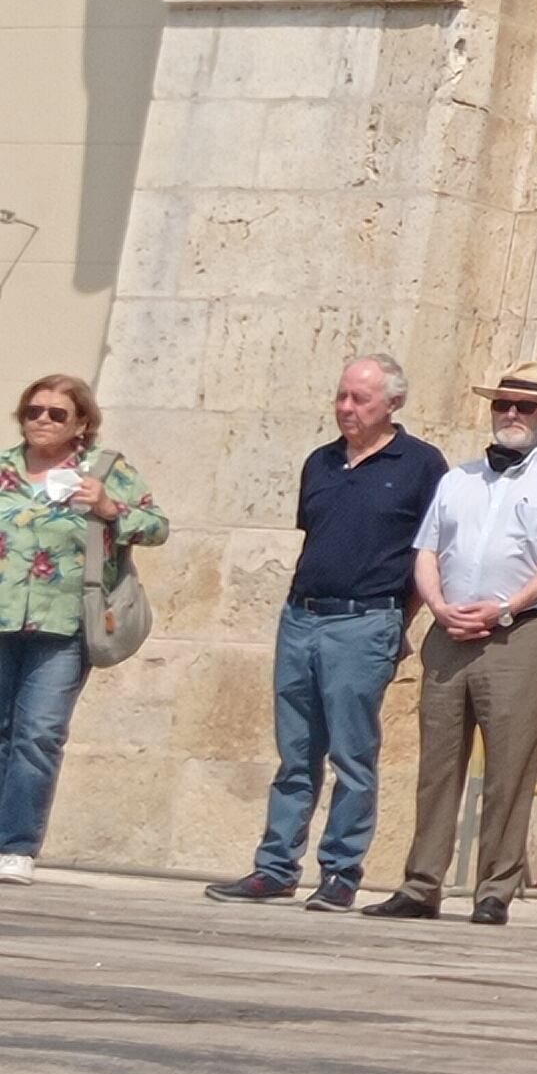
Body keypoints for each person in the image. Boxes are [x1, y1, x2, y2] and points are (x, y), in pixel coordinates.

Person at [211, 353, 446, 911]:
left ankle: (341, 871)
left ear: (393, 402)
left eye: (358, 399)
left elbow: (429, 553)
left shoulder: (421, 465)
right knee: (295, 752)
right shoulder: (320, 462)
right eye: (341, 396)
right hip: (302, 617)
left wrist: (397, 620)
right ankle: (275, 866)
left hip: (364, 620)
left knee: (352, 754)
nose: (345, 408)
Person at [369, 363, 537, 923]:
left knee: (510, 767)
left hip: (521, 632)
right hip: (451, 631)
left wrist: (504, 608)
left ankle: (494, 888)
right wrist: (440, 606)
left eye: (523, 406)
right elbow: (426, 550)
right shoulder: (459, 479)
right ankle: (421, 883)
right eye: (502, 405)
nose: (511, 415)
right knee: (438, 764)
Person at [0, 375, 165, 884]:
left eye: (55, 413)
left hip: (64, 623)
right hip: (3, 616)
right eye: (33, 411)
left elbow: (156, 526)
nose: (42, 421)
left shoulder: (105, 471)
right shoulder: (5, 469)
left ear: (82, 424)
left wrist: (108, 509)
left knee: (38, 734)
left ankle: (15, 846)